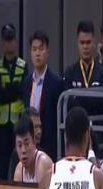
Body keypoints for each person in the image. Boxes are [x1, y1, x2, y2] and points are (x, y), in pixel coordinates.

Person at [0, 23, 28, 180]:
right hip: (1, 125)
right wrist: (13, 90)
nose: (9, 43)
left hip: (17, 123)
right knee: (2, 161)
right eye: (6, 40)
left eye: (11, 39)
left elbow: (23, 90)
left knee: (19, 159)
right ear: (3, 42)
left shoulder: (23, 66)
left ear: (16, 41)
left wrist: (7, 90)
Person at [24, 30, 64, 161]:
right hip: (29, 143)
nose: (37, 53)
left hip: (49, 145)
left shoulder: (57, 83)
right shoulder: (26, 83)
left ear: (47, 52)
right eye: (34, 49)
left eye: (41, 49)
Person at [63, 21, 103, 117]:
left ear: (94, 42)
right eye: (82, 43)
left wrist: (79, 97)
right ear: (77, 43)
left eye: (88, 42)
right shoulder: (69, 72)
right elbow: (68, 102)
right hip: (76, 124)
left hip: (98, 124)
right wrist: (93, 97)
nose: (85, 47)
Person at [12, 114, 53, 183]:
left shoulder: (43, 163)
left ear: (34, 141)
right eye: (19, 145)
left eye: (26, 144)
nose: (23, 150)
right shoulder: (19, 170)